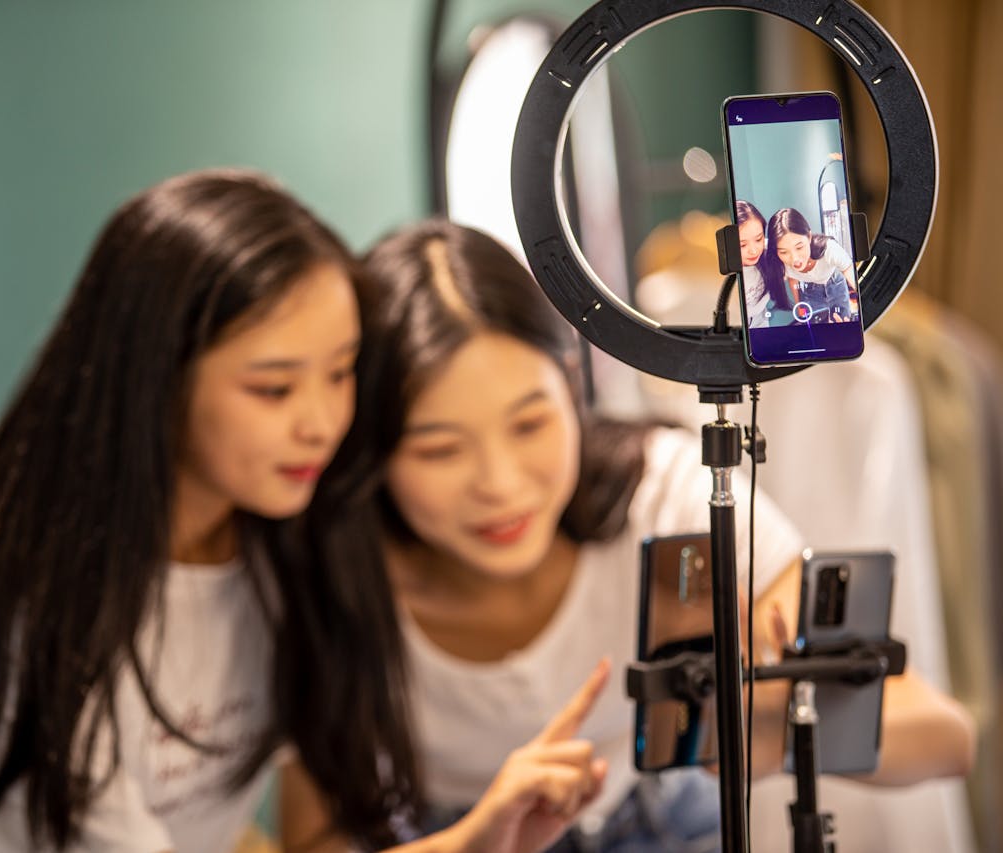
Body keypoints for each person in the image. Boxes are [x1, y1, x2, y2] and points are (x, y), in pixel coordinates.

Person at [0, 172, 608, 853]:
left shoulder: (288, 543)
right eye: (273, 387)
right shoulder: (25, 597)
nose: (322, 420)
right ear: (156, 377)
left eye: (340, 372)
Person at [280, 220, 976, 852]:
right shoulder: (338, 574)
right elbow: (314, 838)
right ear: (374, 450)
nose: (499, 483)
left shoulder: (661, 494)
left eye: (530, 425)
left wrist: (781, 726)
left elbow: (945, 735)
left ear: (573, 389)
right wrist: (476, 837)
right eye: (439, 449)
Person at [767, 207, 859, 323]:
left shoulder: (829, 249)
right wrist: (799, 305)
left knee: (842, 323)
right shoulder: (779, 263)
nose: (794, 259)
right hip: (810, 292)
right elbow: (792, 278)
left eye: (799, 247)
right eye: (784, 252)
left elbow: (853, 276)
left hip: (836, 285)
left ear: (809, 237)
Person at [734, 199, 791, 328]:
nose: (754, 250)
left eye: (758, 239)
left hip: (760, 318)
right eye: (742, 245)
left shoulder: (768, 251)